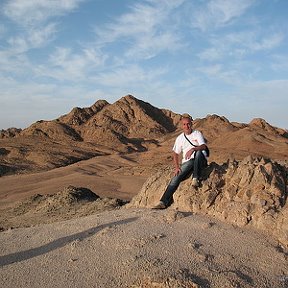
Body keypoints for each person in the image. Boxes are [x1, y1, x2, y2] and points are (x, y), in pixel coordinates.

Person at [153, 113, 208, 209]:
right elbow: (175, 153)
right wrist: (177, 167)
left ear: (191, 124)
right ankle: (163, 202)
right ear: (181, 125)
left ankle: (195, 179)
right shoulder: (180, 138)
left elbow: (203, 146)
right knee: (176, 178)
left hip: (200, 160)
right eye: (184, 124)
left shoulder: (197, 133)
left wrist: (193, 149)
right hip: (188, 162)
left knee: (198, 153)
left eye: (188, 124)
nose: (186, 126)